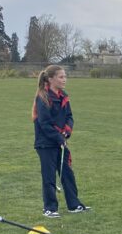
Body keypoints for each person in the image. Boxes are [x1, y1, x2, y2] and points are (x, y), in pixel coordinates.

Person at [32, 65, 89, 217]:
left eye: (65, 77)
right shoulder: (43, 97)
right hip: (46, 144)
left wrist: (67, 131)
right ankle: (50, 208)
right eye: (61, 77)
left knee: (67, 174)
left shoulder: (63, 95)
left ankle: (74, 204)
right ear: (51, 79)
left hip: (60, 142)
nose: (64, 80)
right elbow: (44, 123)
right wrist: (59, 137)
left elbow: (69, 116)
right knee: (49, 176)